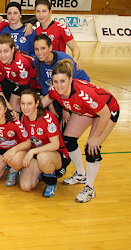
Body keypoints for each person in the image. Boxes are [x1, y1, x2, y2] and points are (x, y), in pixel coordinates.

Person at [41, 60, 119, 203]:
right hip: (86, 111)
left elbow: (105, 114)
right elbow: (42, 104)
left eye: (63, 81)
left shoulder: (84, 93)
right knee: (68, 140)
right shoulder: (55, 90)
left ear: (71, 80)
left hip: (107, 111)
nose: (59, 85)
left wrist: (95, 137)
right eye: (56, 81)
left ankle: (89, 188)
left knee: (92, 146)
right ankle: (81, 174)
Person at [14, 89, 69, 197]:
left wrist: (32, 151)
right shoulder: (24, 117)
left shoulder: (47, 118)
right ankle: (41, 174)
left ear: (37, 103)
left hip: (56, 154)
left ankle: (51, 182)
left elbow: (55, 145)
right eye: (23, 103)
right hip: (37, 154)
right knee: (26, 186)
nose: (25, 107)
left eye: (29, 103)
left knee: (43, 158)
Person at [0, 95, 31, 184]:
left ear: (5, 110)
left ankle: (14, 170)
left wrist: (13, 150)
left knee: (15, 160)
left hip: (17, 150)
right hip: (0, 149)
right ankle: (4, 164)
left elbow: (28, 143)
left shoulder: (14, 121)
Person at [0, 34, 36, 113]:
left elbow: (25, 88)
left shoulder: (20, 64)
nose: (2, 55)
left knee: (14, 105)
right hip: (13, 82)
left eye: (6, 51)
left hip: (31, 84)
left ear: (12, 49)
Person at [35, 0, 81, 64]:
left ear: (50, 12)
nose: (41, 15)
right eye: (38, 11)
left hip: (59, 68)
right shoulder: (36, 31)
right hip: (43, 68)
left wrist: (74, 61)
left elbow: (75, 49)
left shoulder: (61, 28)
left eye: (44, 11)